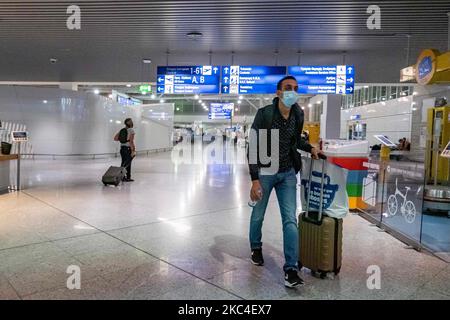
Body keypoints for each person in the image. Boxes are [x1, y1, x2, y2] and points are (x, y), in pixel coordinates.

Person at [247, 75, 322, 288]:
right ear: (278, 92)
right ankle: (256, 247)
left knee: (290, 218)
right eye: (288, 88)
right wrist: (254, 180)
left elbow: (296, 140)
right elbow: (253, 147)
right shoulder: (265, 114)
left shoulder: (298, 113)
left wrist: (310, 148)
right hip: (266, 172)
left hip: (288, 172)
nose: (293, 91)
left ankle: (290, 269)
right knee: (258, 214)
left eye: (296, 88)